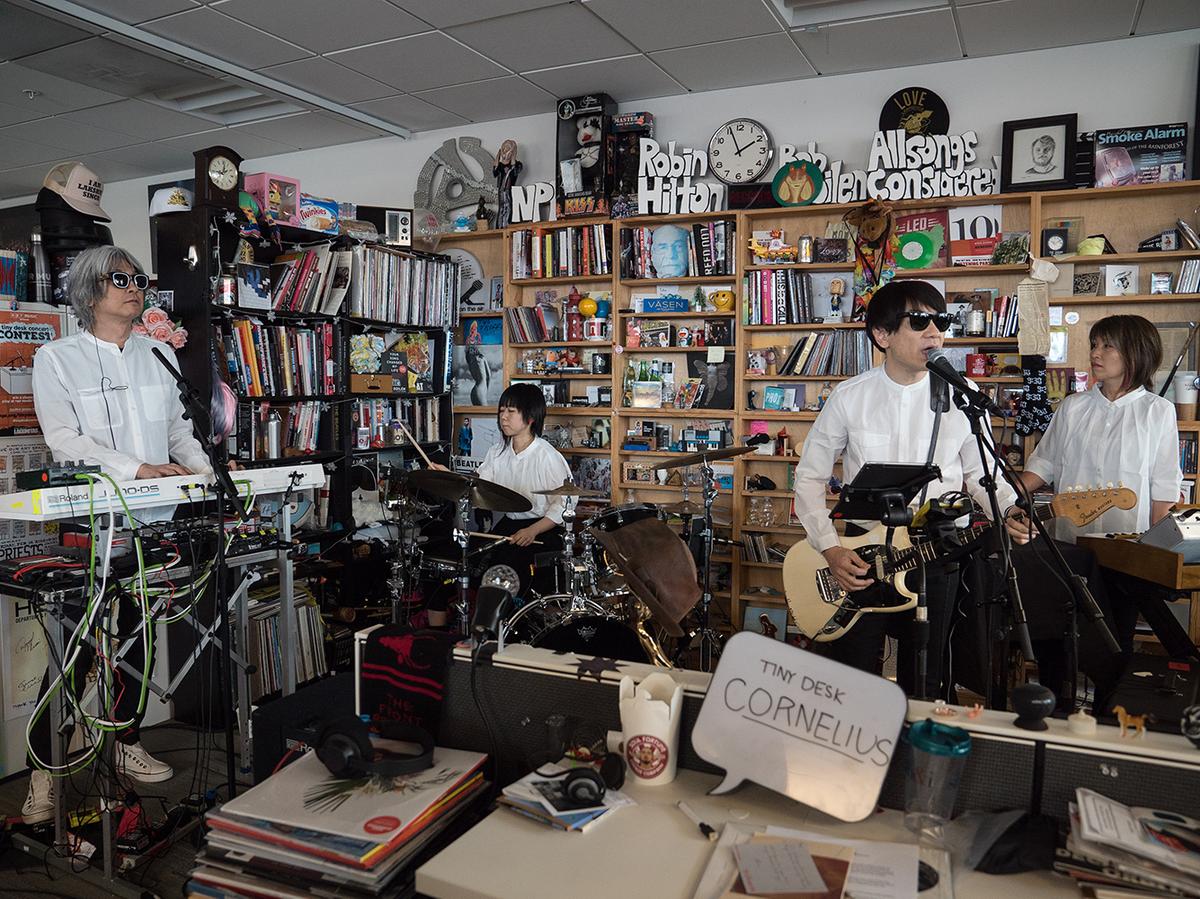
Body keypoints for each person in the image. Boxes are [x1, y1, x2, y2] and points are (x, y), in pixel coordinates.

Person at [23, 245, 212, 822]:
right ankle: (43, 770)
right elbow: (63, 439)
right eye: (120, 279)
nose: (134, 287)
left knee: (136, 638)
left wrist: (206, 476)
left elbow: (179, 429)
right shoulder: (57, 358)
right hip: (92, 526)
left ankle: (123, 742)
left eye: (138, 279)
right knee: (77, 651)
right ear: (87, 291)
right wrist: (137, 469)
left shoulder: (158, 352)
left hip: (153, 523)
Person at [793, 280, 1028, 699]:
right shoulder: (850, 397)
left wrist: (1009, 510)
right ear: (882, 335)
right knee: (852, 681)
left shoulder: (963, 395)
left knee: (926, 678)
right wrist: (830, 549)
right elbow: (809, 478)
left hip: (936, 552)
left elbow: (982, 474)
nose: (934, 332)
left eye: (941, 321)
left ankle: (914, 760)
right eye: (919, 321)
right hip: (861, 558)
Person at [1016, 315, 1181, 658]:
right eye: (1094, 344)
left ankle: (1105, 709)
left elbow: (1164, 488)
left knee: (1112, 644)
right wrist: (1002, 494)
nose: (1096, 353)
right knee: (1056, 639)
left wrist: (1155, 558)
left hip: (1125, 554)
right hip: (1066, 547)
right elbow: (1043, 464)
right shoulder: (1073, 407)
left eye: (1108, 345)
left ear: (1136, 353)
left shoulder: (1158, 412)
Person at [433, 383, 571, 600]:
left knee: (508, 573)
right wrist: (448, 476)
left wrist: (533, 531)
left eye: (511, 412)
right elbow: (478, 484)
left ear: (530, 418)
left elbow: (565, 503)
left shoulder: (548, 456)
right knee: (468, 562)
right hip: (509, 525)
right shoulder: (497, 451)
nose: (503, 417)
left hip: (542, 531)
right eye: (501, 411)